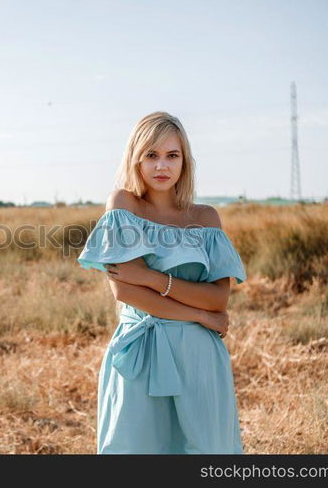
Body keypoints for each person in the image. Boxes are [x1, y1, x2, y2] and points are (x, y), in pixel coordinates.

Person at [77, 111, 247, 454]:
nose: (161, 167)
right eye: (151, 155)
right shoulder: (124, 205)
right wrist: (200, 316)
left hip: (198, 356)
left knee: (205, 450)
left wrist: (152, 278)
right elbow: (125, 290)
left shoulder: (205, 217)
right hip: (139, 351)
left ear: (185, 161)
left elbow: (218, 299)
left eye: (172, 155)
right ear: (135, 159)